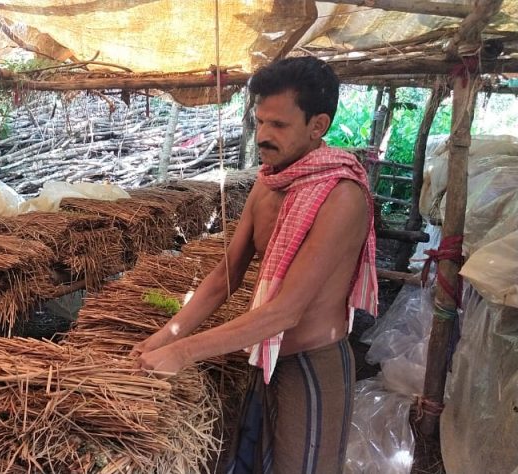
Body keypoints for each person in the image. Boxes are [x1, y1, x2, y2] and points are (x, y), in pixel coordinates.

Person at [132, 56, 377, 473]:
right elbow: (224, 276)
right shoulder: (267, 183)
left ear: (318, 126)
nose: (262, 135)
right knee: (250, 461)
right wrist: (164, 336)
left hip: (311, 363)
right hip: (264, 357)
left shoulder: (342, 196)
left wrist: (185, 351)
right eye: (260, 121)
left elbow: (287, 310)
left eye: (278, 125)